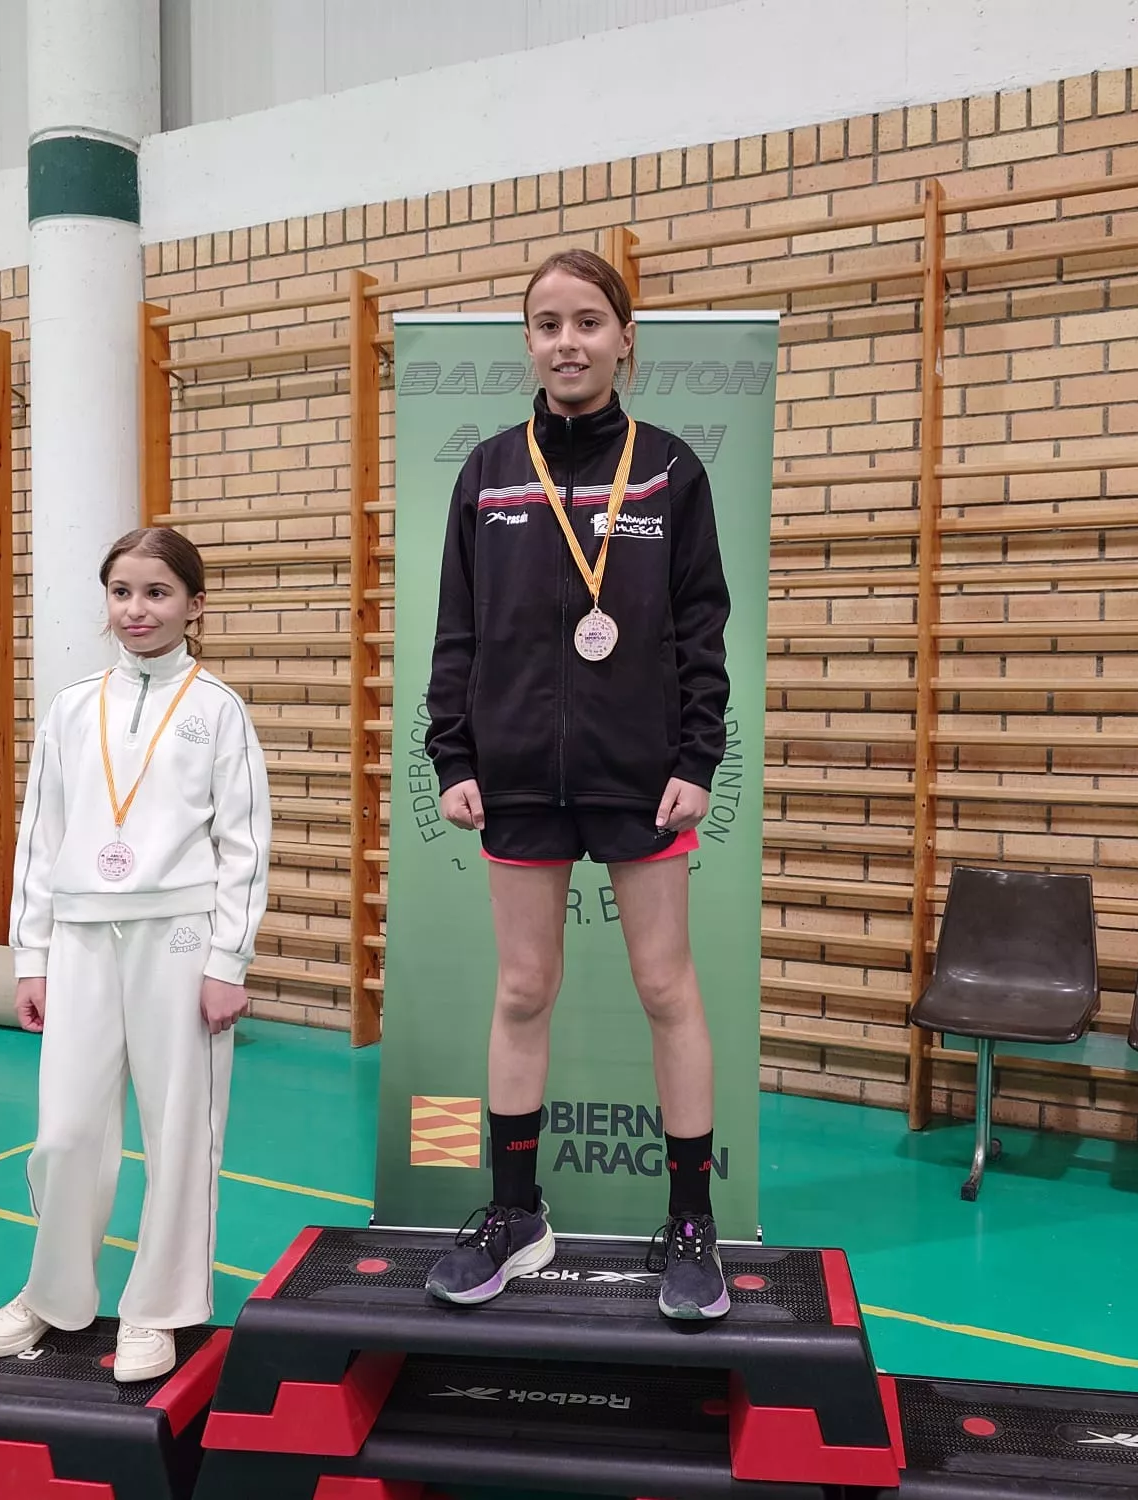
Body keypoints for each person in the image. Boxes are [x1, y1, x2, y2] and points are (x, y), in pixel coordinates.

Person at [422, 248, 732, 1321]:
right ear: (527, 342)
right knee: (520, 988)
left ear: (623, 339)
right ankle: (515, 1213)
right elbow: (455, 625)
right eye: (547, 323)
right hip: (514, 771)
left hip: (639, 775)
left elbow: (702, 630)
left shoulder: (670, 472)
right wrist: (452, 754)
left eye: (588, 322)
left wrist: (696, 757)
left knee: (663, 985)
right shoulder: (490, 471)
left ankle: (689, 1222)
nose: (567, 341)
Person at [0, 526, 271, 1382]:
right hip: (77, 939)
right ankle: (52, 1294)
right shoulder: (72, 707)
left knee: (181, 1132)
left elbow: (245, 844)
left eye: (157, 593)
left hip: (179, 941)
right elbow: (41, 838)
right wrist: (30, 956)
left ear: (194, 604)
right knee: (66, 1133)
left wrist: (228, 962)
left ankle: (159, 1309)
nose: (136, 610)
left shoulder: (217, 709)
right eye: (120, 592)